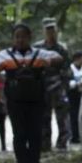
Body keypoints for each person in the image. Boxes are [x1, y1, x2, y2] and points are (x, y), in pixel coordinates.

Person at [0, 24, 63, 163]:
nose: (20, 40)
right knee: (19, 133)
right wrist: (2, 80)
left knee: (35, 133)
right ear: (13, 38)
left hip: (36, 100)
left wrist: (48, 62)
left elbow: (58, 57)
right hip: (15, 101)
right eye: (17, 37)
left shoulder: (38, 53)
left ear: (29, 38)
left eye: (23, 36)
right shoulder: (5, 55)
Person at [35, 17, 71, 151]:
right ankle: (45, 144)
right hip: (43, 86)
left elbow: (67, 68)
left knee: (62, 117)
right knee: (44, 117)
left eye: (53, 30)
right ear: (44, 32)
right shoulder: (38, 48)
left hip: (58, 86)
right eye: (48, 30)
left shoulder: (62, 48)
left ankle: (62, 143)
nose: (51, 33)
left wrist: (63, 85)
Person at [68, 51, 82, 144]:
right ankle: (74, 136)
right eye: (81, 59)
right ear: (77, 59)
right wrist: (77, 83)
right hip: (73, 96)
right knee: (74, 116)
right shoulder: (70, 69)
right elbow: (69, 83)